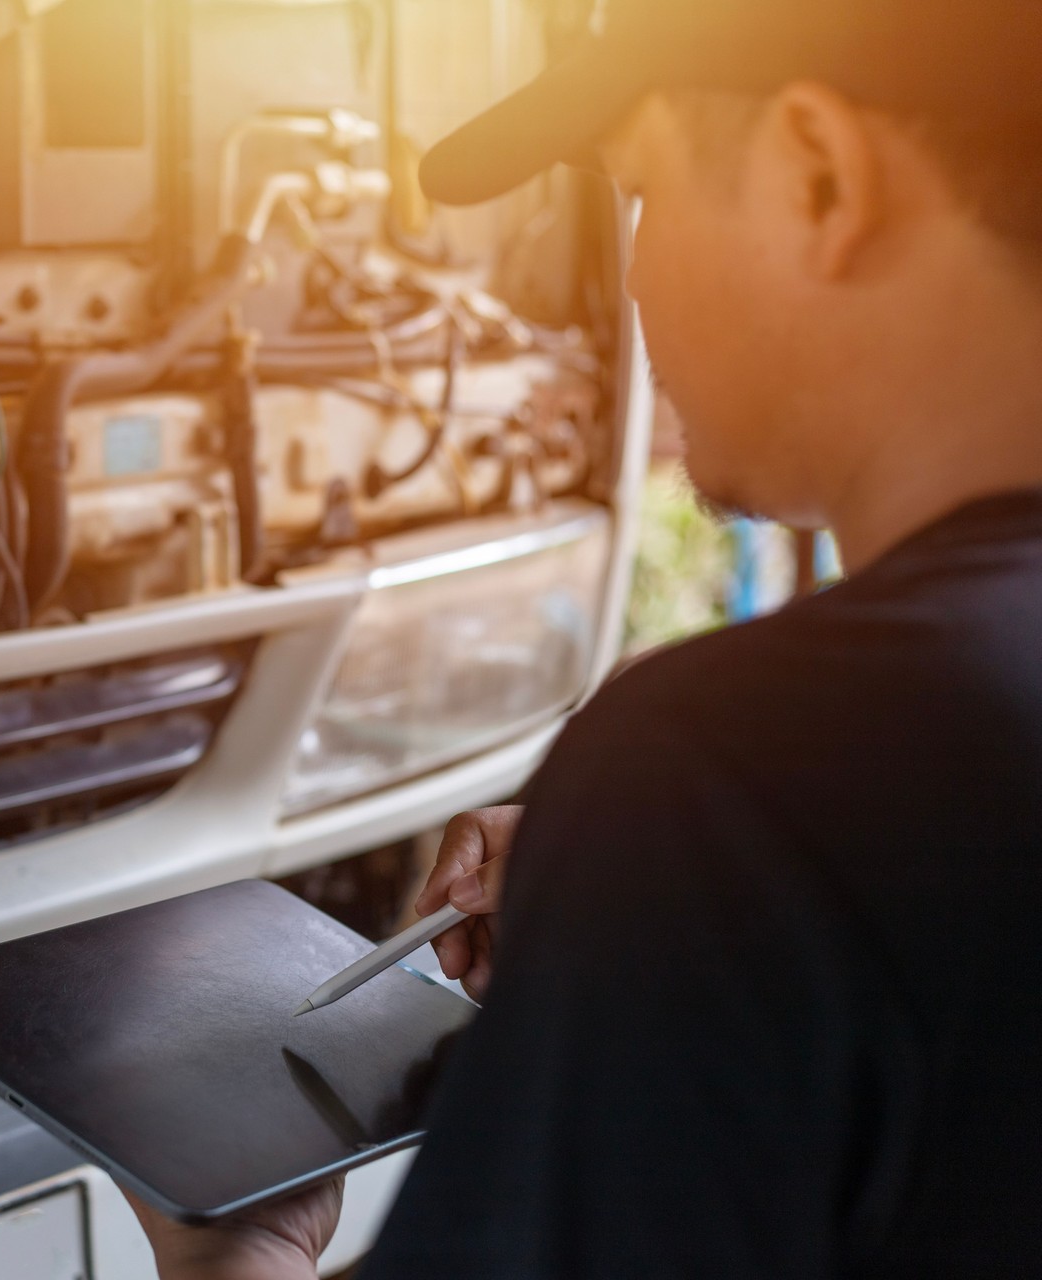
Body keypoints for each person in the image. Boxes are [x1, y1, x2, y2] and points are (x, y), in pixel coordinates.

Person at [133, 0, 1042, 1275]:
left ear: (821, 179)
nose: (629, 275)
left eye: (644, 192)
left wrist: (247, 1254)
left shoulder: (744, 778)